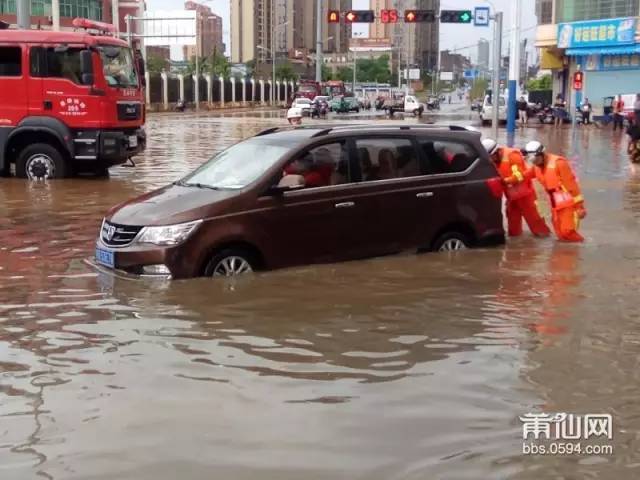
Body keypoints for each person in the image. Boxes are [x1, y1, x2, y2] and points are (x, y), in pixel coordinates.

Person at [482, 138, 551, 238]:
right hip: (512, 198)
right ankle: (516, 247)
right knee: (513, 230)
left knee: (538, 226)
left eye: (491, 157)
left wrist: (505, 181)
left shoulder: (512, 156)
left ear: (496, 152)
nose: (490, 160)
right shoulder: (493, 161)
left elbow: (519, 175)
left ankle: (545, 244)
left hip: (526, 197)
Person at [523, 141, 586, 242]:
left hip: (567, 203)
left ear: (541, 154)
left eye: (535, 160)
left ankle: (581, 247)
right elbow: (525, 175)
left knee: (567, 231)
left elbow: (572, 186)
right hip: (554, 203)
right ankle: (563, 256)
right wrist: (506, 179)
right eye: (532, 161)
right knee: (559, 234)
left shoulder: (559, 163)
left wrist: (580, 207)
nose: (534, 163)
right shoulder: (536, 166)